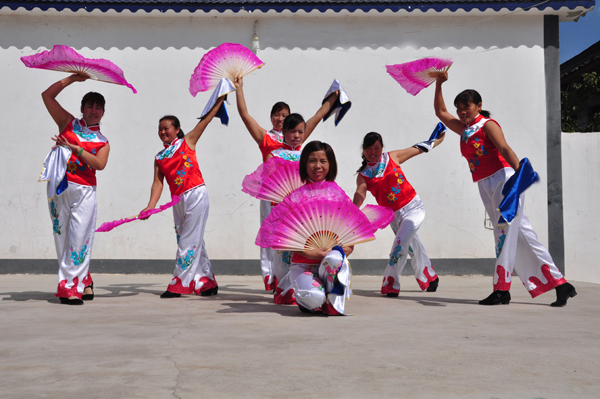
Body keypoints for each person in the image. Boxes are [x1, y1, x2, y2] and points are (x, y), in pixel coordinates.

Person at [433, 72, 576, 306]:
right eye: (458, 108)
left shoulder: (487, 125)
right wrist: (439, 83)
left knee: (504, 234)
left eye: (465, 107)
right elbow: (440, 112)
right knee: (522, 235)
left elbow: (505, 148)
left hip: (504, 179)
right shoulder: (465, 129)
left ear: (479, 106)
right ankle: (562, 284)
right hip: (485, 182)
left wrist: (520, 176)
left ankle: (501, 289)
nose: (461, 112)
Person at [233, 75, 338, 291]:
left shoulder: (304, 151)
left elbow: (318, 116)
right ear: (276, 123)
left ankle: (294, 282)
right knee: (274, 241)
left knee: (297, 242)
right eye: (278, 116)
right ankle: (273, 279)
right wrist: (239, 89)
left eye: (285, 115)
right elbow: (245, 115)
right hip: (275, 201)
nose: (281, 119)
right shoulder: (270, 144)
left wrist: (333, 97)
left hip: (301, 205)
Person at [139, 97, 225, 299]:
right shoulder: (159, 157)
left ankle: (179, 283)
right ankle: (206, 282)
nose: (162, 132)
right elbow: (158, 184)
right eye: (159, 129)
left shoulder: (188, 142)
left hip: (195, 193)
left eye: (166, 128)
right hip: (177, 200)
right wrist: (150, 207)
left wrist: (220, 100)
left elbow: (205, 120)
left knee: (188, 241)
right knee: (191, 240)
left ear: (177, 129)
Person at [42, 74, 110, 305]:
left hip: (84, 191)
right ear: (82, 108)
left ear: (103, 113)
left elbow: (99, 164)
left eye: (98, 107)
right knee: (61, 236)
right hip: (59, 186)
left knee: (80, 237)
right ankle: (84, 280)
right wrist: (71, 79)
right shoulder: (67, 122)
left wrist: (75, 149)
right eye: (89, 106)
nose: (93, 110)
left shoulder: (103, 141)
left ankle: (70, 287)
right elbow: (47, 96)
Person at [352, 131, 444, 297]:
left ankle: (390, 283)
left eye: (377, 148)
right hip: (393, 216)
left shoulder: (391, 157)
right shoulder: (363, 175)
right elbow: (360, 193)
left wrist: (438, 139)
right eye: (369, 149)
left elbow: (418, 148)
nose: (373, 152)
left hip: (413, 208)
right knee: (411, 245)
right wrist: (352, 211)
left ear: (382, 148)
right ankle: (430, 277)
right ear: (363, 150)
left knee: (399, 243)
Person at [287, 140, 353, 315]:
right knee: (314, 299)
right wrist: (309, 253)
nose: (318, 166)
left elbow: (351, 231)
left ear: (330, 164)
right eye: (312, 161)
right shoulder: (295, 197)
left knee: (335, 258)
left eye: (323, 161)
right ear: (304, 164)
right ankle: (309, 298)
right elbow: (284, 237)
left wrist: (346, 248)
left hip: (328, 262)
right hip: (303, 263)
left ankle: (332, 300)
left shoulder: (338, 195)